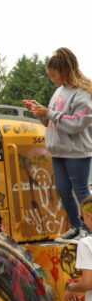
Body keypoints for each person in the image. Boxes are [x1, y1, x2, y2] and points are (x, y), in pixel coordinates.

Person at [23, 47, 92, 243]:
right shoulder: (59, 91)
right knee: (62, 189)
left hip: (77, 151)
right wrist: (40, 112)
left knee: (80, 190)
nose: (52, 79)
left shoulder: (83, 92)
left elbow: (78, 123)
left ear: (65, 71)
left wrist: (50, 113)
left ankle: (89, 229)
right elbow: (51, 122)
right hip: (58, 150)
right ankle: (76, 227)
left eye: (54, 75)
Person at [64, 195, 92, 301]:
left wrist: (72, 289)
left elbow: (88, 282)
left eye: (82, 217)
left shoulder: (86, 243)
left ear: (89, 216)